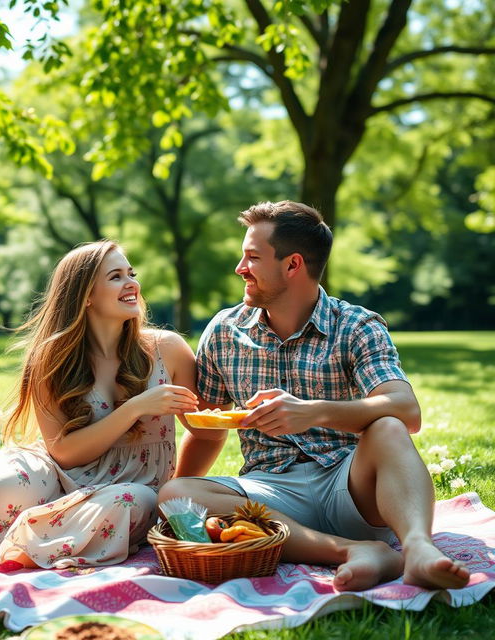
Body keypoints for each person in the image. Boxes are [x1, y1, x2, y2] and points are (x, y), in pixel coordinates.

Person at [160, 200, 471, 592]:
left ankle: (418, 550)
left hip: (352, 486)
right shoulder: (224, 332)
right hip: (271, 495)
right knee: (174, 492)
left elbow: (407, 410)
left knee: (389, 427)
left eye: (253, 257)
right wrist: (173, 506)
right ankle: (356, 552)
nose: (240, 268)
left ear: (293, 265)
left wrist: (313, 413)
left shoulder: (357, 325)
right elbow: (206, 431)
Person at [0, 240, 223, 568]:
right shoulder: (52, 357)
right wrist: (135, 408)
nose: (132, 284)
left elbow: (206, 431)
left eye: (131, 273)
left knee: (127, 503)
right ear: (85, 295)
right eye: (115, 276)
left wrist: (171, 493)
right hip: (52, 465)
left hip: (132, 484)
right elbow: (63, 454)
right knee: (2, 485)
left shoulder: (166, 349)